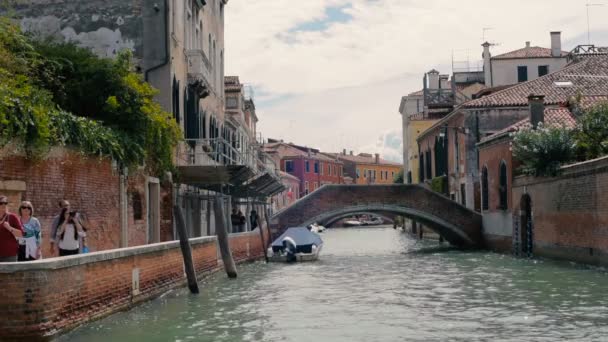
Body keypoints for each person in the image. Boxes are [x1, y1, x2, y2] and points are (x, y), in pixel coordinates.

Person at [0, 195, 24, 262]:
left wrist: (9, 228)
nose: (3, 205)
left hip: (9, 255)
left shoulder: (12, 217)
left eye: (5, 203)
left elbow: (21, 234)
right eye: (1, 203)